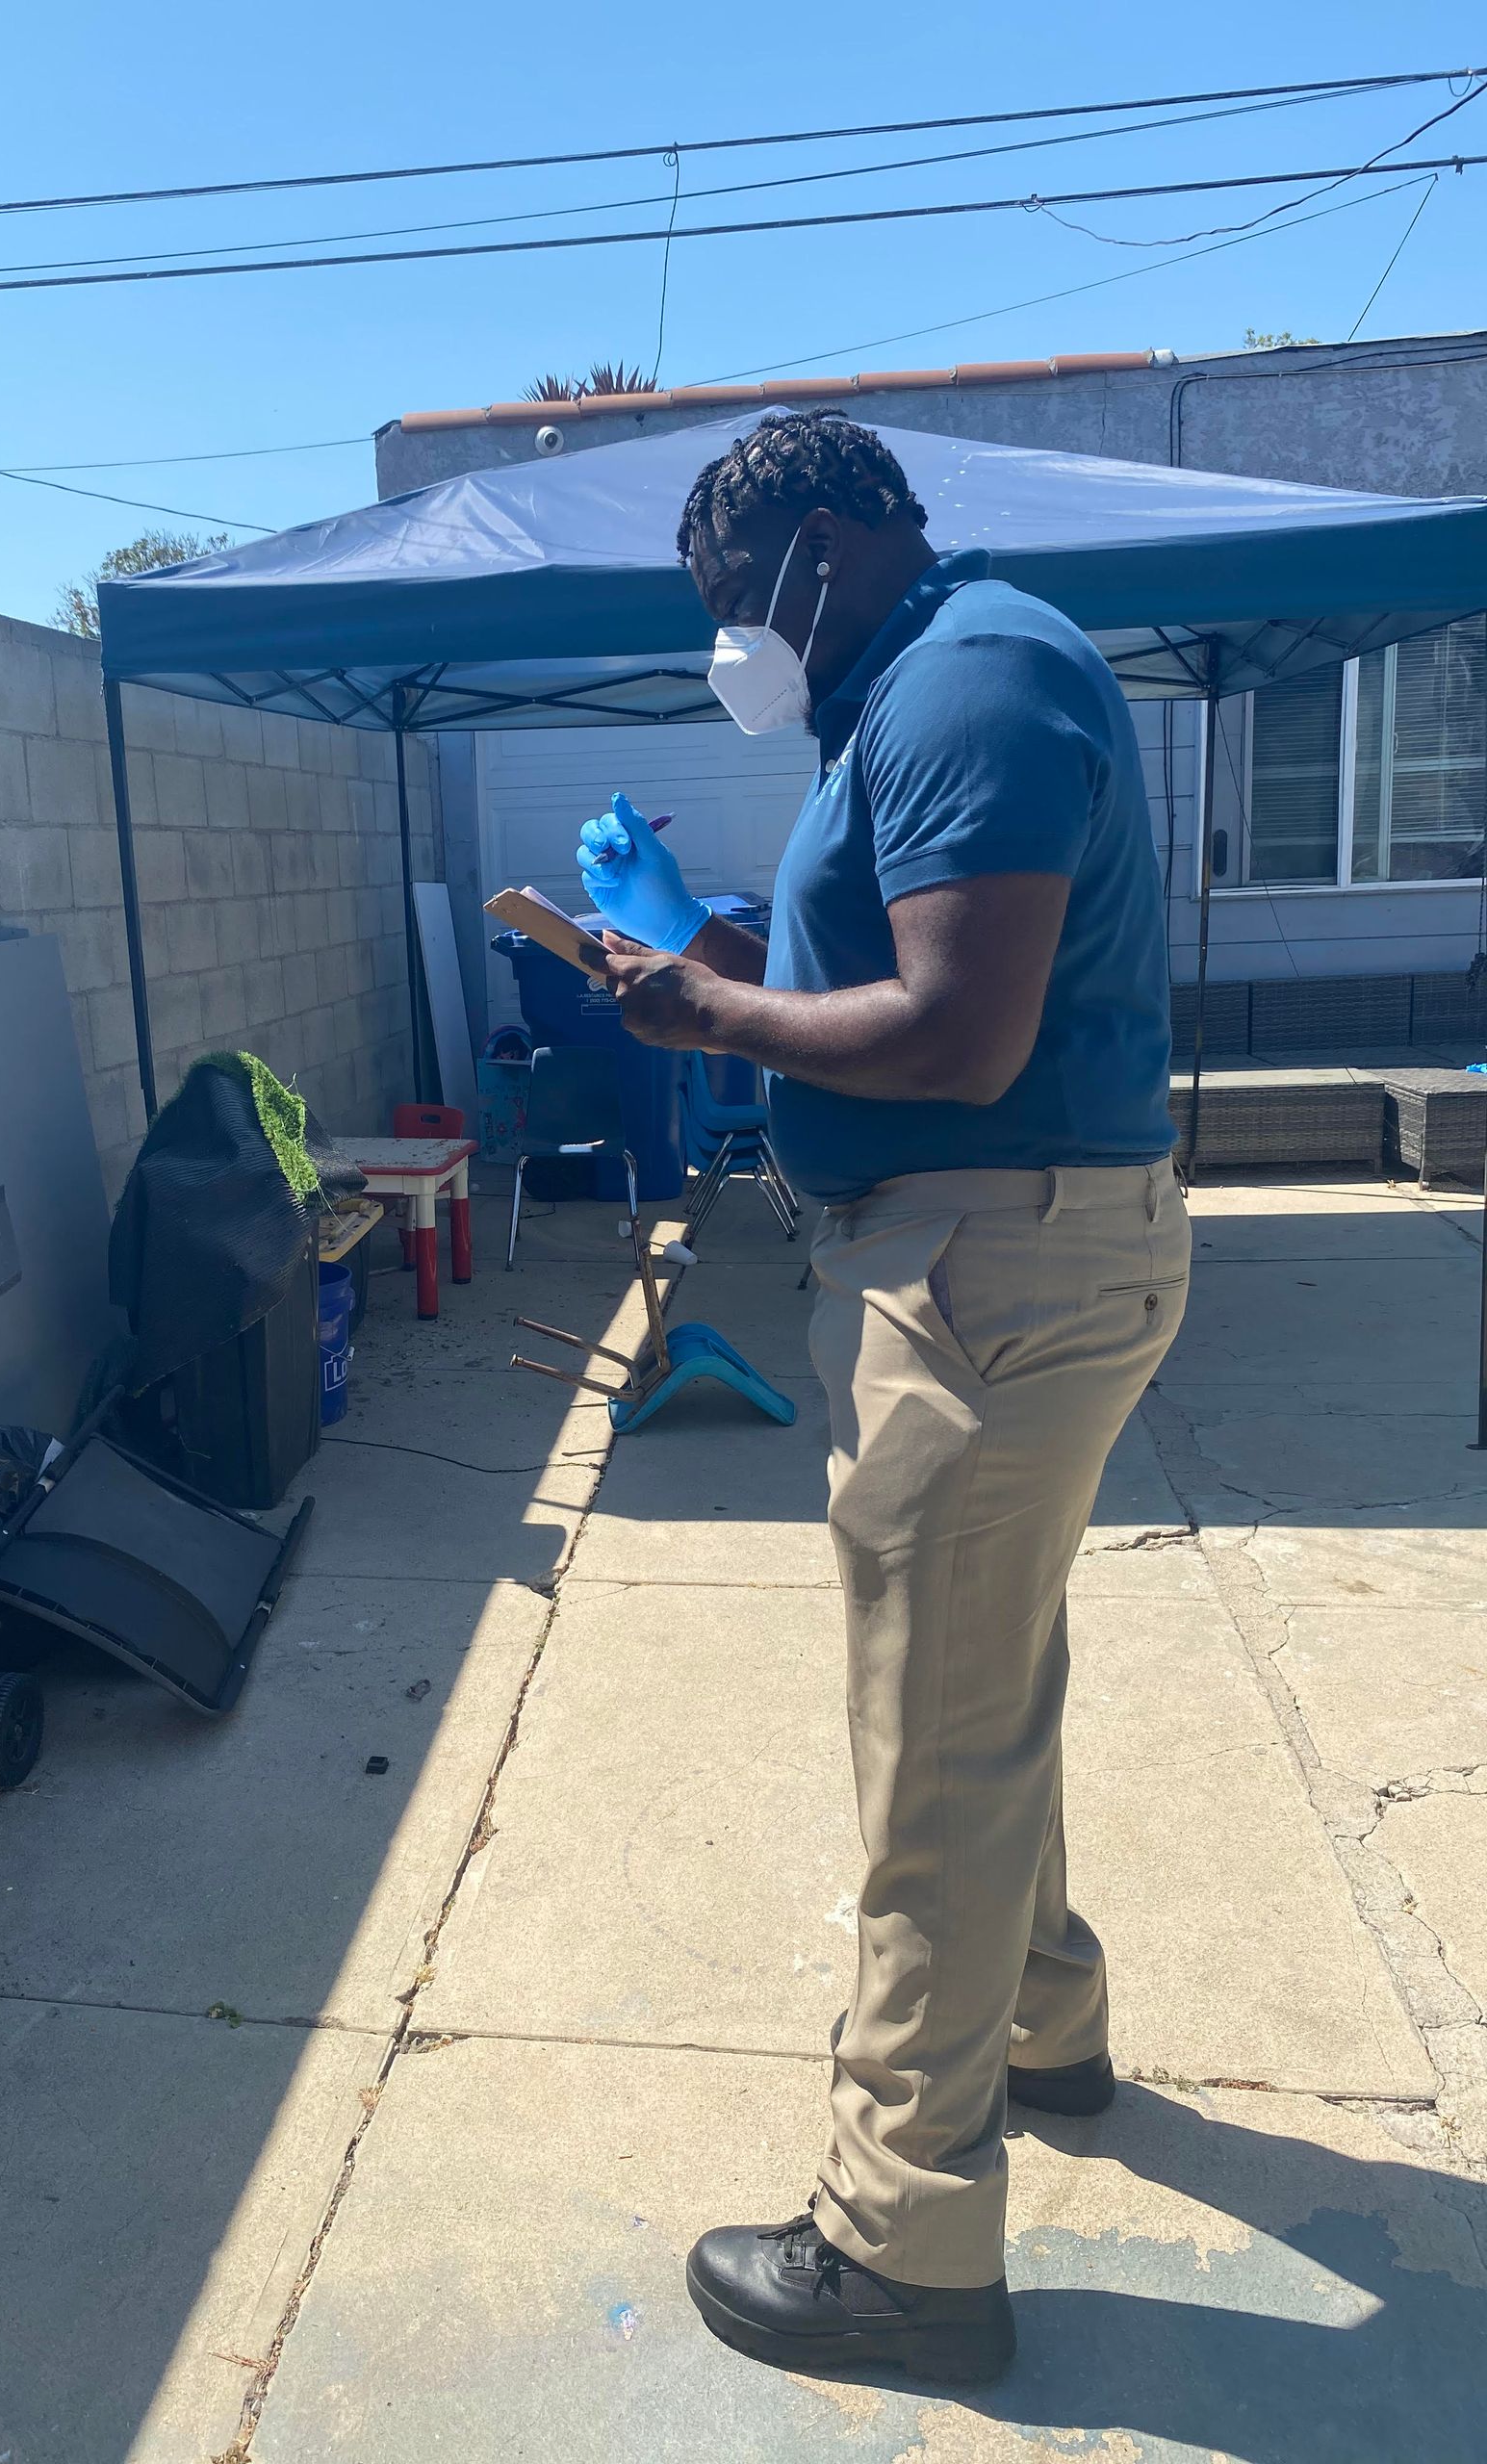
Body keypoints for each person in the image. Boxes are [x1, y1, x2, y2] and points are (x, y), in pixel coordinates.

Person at [577, 410, 1187, 2387]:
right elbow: (894, 964)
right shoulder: (932, 680)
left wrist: (713, 1013)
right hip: (996, 1249)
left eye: (726, 604)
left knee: (925, 1732)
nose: (728, 642)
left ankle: (905, 2237)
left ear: (818, 549)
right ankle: (1047, 2023)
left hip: (988, 1261)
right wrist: (740, 953)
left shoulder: (970, 679)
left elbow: (956, 1026)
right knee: (983, 1676)